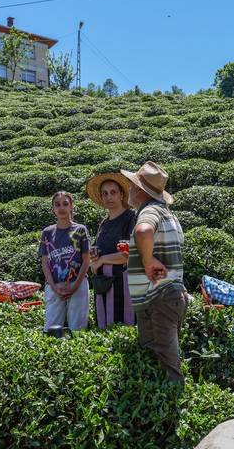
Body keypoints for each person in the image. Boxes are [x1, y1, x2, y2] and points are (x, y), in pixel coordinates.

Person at [121, 161, 187, 383]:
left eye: (132, 186)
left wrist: (148, 261)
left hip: (160, 298)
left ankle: (171, 412)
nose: (128, 190)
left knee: (168, 370)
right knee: (155, 362)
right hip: (167, 296)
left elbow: (143, 231)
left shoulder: (149, 211)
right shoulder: (168, 214)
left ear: (140, 191)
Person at [85, 173, 137, 328]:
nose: (109, 197)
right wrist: (94, 254)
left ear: (122, 195)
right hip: (103, 284)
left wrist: (101, 260)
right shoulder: (104, 223)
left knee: (124, 324)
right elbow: (98, 248)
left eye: (113, 192)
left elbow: (130, 254)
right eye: (105, 193)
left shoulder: (131, 218)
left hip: (123, 284)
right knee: (104, 326)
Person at [38, 191, 91, 332]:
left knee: (78, 329)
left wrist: (74, 286)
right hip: (55, 286)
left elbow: (86, 260)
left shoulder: (80, 230)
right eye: (57, 204)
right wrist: (54, 286)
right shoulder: (47, 233)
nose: (61, 208)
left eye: (65, 204)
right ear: (53, 209)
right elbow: (44, 262)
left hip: (77, 284)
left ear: (72, 206)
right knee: (51, 328)